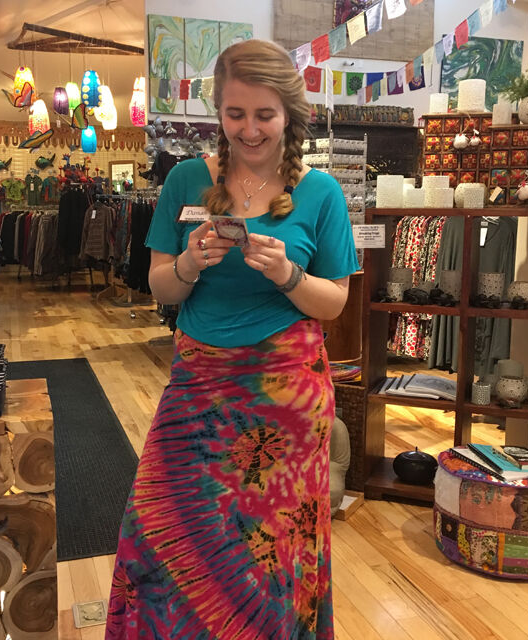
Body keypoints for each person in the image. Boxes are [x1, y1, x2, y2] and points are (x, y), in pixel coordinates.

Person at [105, 38, 359, 640]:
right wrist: (191, 262)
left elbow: (336, 301)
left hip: (287, 399)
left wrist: (287, 274)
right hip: (198, 388)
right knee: (162, 533)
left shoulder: (320, 192)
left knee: (272, 552)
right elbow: (162, 288)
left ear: (289, 115)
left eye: (264, 115)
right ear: (217, 112)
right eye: (235, 113)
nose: (249, 130)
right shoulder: (186, 180)